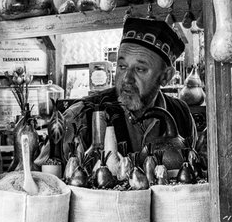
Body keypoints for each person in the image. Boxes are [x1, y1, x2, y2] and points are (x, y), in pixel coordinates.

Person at [61, 15, 196, 157]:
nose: (127, 78)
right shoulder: (81, 115)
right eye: (122, 66)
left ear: (165, 76)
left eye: (140, 69)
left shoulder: (181, 114)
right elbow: (50, 169)